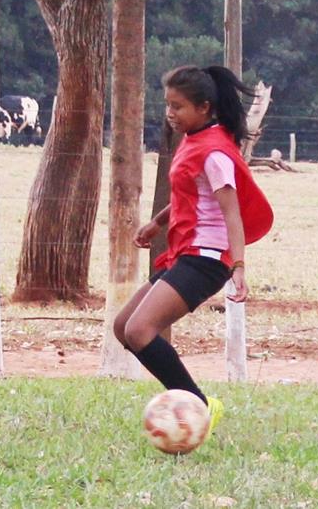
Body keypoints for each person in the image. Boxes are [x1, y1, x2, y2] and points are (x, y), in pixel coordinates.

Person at [114, 65, 273, 437]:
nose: (170, 113)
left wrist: (238, 266)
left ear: (204, 108)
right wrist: (158, 222)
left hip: (207, 258)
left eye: (178, 106)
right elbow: (190, 193)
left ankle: (196, 407)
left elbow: (231, 214)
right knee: (124, 326)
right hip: (185, 253)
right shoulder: (194, 138)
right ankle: (192, 404)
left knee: (140, 330)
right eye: (167, 105)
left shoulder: (216, 152)